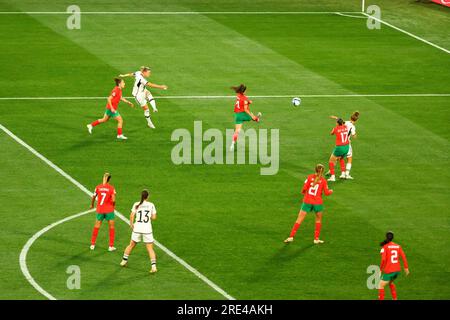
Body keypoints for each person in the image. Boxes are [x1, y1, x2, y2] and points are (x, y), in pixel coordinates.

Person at [284, 164, 333, 244]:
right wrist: (331, 191)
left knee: (299, 219)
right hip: (317, 203)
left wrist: (305, 194)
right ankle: (316, 239)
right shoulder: (323, 181)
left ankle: (291, 237)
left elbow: (304, 189)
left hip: (307, 201)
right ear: (322, 171)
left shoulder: (309, 177)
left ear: (315, 170)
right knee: (318, 220)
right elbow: (327, 193)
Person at [120, 189, 158, 274]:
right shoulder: (151, 205)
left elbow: (132, 215)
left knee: (131, 245)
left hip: (137, 228)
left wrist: (131, 224)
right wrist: (150, 216)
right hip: (147, 229)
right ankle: (154, 267)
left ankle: (124, 261)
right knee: (150, 248)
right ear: (147, 196)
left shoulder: (136, 204)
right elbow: (154, 217)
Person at [378, 231, 409, 300]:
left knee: (380, 285)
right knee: (390, 282)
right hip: (397, 271)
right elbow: (403, 257)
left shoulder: (385, 247)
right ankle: (395, 298)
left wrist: (380, 269)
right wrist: (406, 268)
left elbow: (383, 260)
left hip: (390, 271)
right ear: (393, 238)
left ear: (386, 237)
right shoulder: (398, 246)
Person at [229, 84, 261, 151]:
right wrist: (251, 115)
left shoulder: (238, 95)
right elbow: (246, 109)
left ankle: (232, 144)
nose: (246, 91)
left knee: (237, 131)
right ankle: (257, 118)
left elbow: (242, 101)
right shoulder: (245, 99)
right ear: (243, 91)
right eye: (246, 90)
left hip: (237, 115)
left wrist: (248, 102)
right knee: (252, 116)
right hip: (243, 114)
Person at [90, 173, 116, 251]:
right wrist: (113, 205)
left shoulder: (98, 187)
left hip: (100, 210)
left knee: (96, 226)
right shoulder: (111, 188)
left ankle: (92, 244)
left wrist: (92, 205)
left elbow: (94, 196)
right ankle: (111, 246)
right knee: (111, 227)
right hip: (109, 210)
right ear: (109, 179)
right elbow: (114, 199)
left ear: (104, 178)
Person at [329, 111, 360, 179]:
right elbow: (354, 136)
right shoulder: (353, 127)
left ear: (350, 117)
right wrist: (355, 134)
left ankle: (333, 171)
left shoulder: (345, 122)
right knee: (349, 158)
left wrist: (335, 117)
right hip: (347, 144)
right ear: (357, 120)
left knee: (338, 157)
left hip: (340, 143)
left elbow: (340, 121)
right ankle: (346, 174)